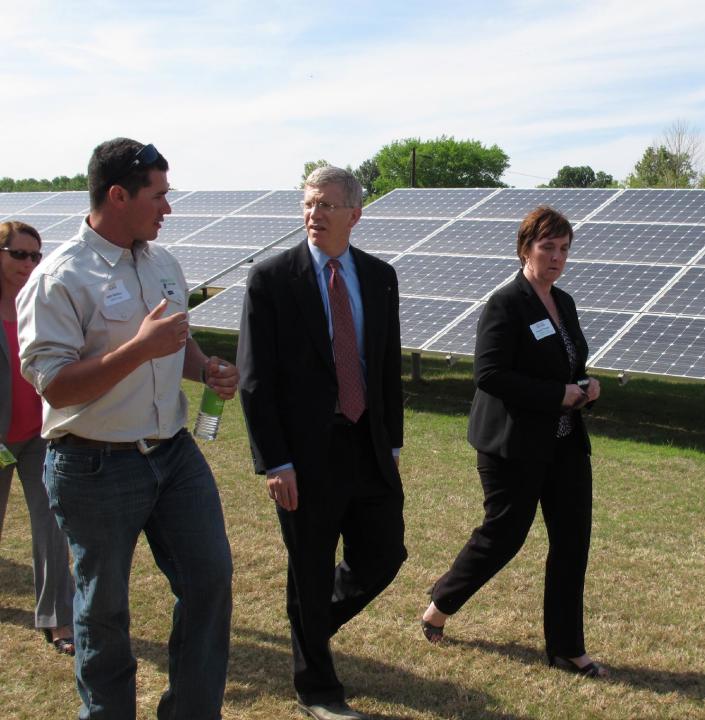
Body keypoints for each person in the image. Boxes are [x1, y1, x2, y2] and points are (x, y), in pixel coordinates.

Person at [16, 138, 236, 719]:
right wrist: (137, 352)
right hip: (94, 464)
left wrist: (204, 367)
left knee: (209, 581)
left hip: (174, 455)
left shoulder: (162, 261)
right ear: (118, 195)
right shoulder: (59, 278)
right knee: (104, 610)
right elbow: (56, 386)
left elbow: (175, 341)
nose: (169, 208)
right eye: (159, 195)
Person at [238, 165, 406, 720]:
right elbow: (255, 379)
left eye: (328, 205)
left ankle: (309, 622)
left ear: (355, 214)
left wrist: (394, 444)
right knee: (309, 564)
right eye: (309, 204)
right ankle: (318, 688)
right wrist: (275, 460)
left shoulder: (380, 277)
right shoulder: (270, 279)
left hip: (367, 443)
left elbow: (384, 367)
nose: (315, 214)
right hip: (304, 456)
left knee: (384, 553)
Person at [420, 205, 608, 678]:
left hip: (565, 444)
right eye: (548, 248)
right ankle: (441, 602)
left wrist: (585, 387)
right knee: (503, 537)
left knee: (572, 543)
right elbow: (489, 374)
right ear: (526, 248)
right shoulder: (506, 303)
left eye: (564, 249)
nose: (557, 258)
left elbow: (566, 364)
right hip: (513, 445)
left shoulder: (563, 302)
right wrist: (555, 395)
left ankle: (567, 649)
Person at [0, 220, 75, 655]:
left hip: (38, 436)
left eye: (34, 255)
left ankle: (57, 620)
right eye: (18, 254)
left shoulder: (41, 303)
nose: (28, 264)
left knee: (52, 527)